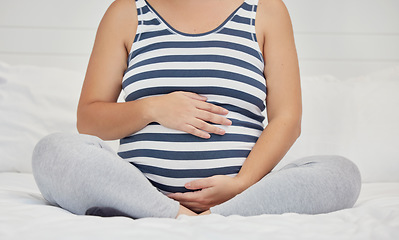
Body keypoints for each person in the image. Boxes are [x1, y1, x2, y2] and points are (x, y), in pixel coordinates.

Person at [32, 0, 361, 219]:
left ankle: (218, 216)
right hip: (141, 190)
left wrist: (242, 184)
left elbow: (287, 119)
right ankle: (169, 213)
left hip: (241, 195)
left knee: (342, 174)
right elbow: (88, 121)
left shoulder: (266, 11)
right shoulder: (127, 13)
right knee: (52, 151)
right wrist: (152, 108)